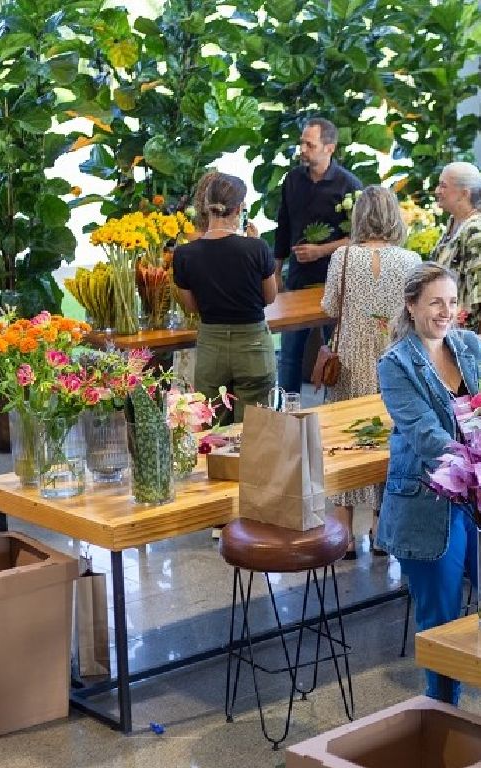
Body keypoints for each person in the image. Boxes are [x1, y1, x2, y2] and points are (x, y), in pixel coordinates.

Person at [377, 263, 481, 704]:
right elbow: (426, 436)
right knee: (440, 622)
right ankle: (443, 711)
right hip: (428, 504)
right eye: (435, 303)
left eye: (452, 301)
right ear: (411, 306)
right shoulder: (396, 364)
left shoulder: (470, 347)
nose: (446, 312)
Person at [321, 186, 421, 558]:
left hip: (348, 360)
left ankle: (344, 531)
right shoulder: (410, 260)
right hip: (392, 358)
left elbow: (330, 306)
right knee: (386, 438)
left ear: (359, 216)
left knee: (345, 440)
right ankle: (381, 527)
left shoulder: (343, 257)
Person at [173, 172, 277, 422]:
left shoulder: (184, 254)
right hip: (253, 344)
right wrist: (255, 245)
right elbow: (270, 296)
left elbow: (192, 306)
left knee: (211, 426)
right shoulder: (257, 248)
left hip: (211, 345)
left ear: (206, 207)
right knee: (256, 429)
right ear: (240, 208)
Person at [274, 117, 364, 393]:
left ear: (329, 147)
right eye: (302, 143)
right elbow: (283, 226)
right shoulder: (292, 179)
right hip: (297, 281)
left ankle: (337, 407)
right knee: (289, 354)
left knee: (335, 354)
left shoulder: (348, 185)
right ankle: (286, 415)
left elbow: (359, 239)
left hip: (335, 282)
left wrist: (320, 251)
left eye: (309, 144)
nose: (302, 149)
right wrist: (276, 272)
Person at [431, 162, 481, 334]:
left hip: (469, 341)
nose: (437, 191)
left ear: (464, 193)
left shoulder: (476, 232)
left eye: (443, 186)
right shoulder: (454, 224)